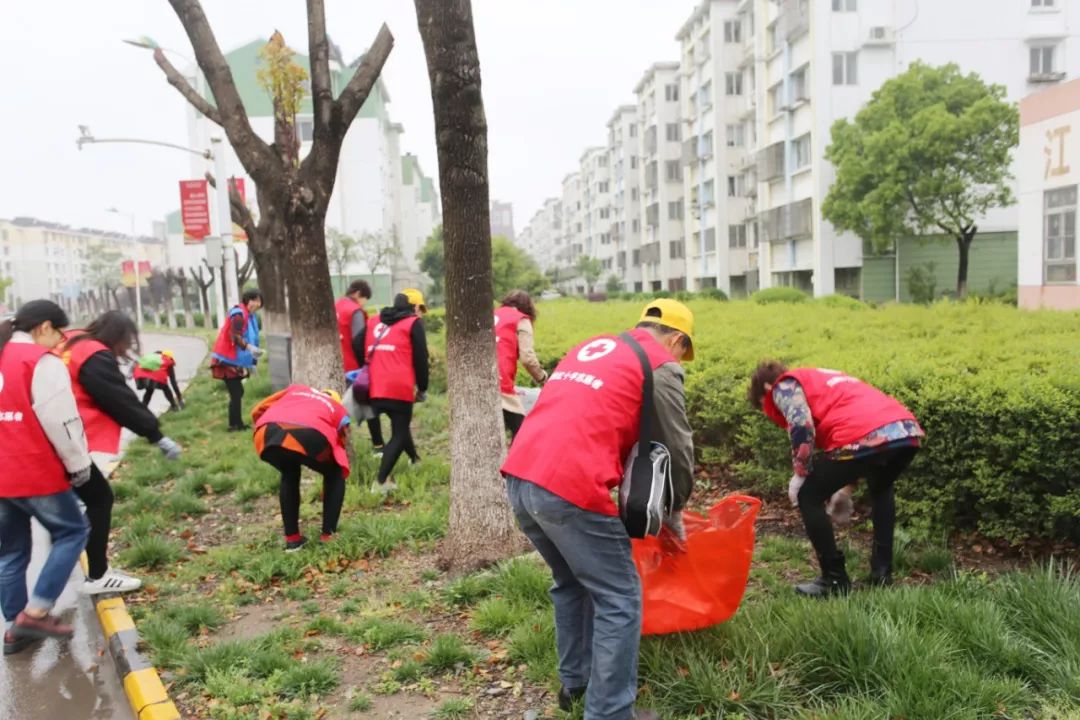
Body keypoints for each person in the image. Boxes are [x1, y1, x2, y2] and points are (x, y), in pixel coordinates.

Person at [500, 299, 697, 720]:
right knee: (620, 597)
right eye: (684, 352)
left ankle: (577, 686)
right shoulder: (659, 363)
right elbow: (677, 446)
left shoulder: (597, 346)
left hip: (520, 475)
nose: (680, 361)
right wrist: (675, 509)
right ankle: (609, 713)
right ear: (677, 339)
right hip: (568, 487)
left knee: (571, 583)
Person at [748, 361, 925, 597]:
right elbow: (862, 448)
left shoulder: (783, 385)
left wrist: (800, 473)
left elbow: (802, 423)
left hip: (866, 434)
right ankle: (882, 573)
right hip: (904, 429)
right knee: (881, 486)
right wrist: (845, 490)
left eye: (767, 406)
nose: (775, 412)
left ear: (767, 387)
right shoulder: (824, 378)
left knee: (808, 495)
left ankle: (834, 580)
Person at [59, 311, 182, 595]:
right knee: (100, 499)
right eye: (127, 341)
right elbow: (120, 401)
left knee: (88, 500)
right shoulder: (94, 356)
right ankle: (97, 576)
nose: (127, 348)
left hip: (52, 438)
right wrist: (156, 435)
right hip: (65, 440)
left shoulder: (72, 343)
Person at [0, 301, 92, 654]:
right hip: (32, 469)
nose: (58, 344)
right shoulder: (40, 363)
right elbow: (63, 423)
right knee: (72, 531)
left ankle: (13, 629)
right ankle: (36, 612)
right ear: (44, 327)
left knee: (10, 552)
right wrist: (78, 464)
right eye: (58, 335)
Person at [252, 385, 351, 552]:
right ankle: (328, 536)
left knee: (289, 472)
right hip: (309, 432)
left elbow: (257, 409)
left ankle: (293, 540)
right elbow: (339, 443)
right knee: (335, 474)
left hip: (266, 431)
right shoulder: (338, 409)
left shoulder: (296, 389)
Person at [367, 288, 429, 494]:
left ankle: (414, 459)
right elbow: (421, 359)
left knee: (401, 426)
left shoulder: (375, 320)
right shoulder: (413, 323)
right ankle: (381, 481)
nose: (421, 314)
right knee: (399, 432)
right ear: (415, 307)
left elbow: (358, 343)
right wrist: (423, 388)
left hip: (373, 385)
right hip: (398, 385)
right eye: (421, 308)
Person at [335, 279, 385, 453]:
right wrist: (366, 365)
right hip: (353, 368)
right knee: (369, 407)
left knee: (337, 408)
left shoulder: (336, 305)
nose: (364, 303)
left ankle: (338, 445)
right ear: (357, 293)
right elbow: (359, 341)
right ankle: (378, 447)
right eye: (364, 298)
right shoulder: (354, 311)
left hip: (337, 365)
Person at [495, 290, 547, 441]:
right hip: (499, 381)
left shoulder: (493, 314)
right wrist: (543, 377)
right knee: (521, 431)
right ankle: (514, 464)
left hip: (478, 377)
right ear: (528, 307)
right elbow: (528, 358)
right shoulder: (521, 320)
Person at [211, 289, 264, 431]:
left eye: (260, 302)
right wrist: (249, 347)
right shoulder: (239, 315)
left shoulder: (250, 316)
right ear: (248, 300)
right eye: (256, 301)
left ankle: (235, 424)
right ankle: (235, 425)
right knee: (236, 392)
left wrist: (252, 362)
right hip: (226, 359)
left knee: (237, 392)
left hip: (234, 360)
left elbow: (252, 338)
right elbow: (234, 336)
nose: (258, 304)